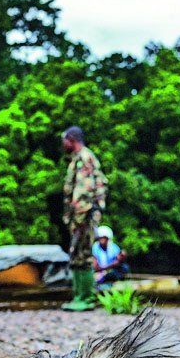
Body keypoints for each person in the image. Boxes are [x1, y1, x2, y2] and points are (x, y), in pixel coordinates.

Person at [61, 126, 108, 311]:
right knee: (77, 255)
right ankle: (79, 296)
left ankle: (86, 299)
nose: (63, 144)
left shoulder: (84, 158)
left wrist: (80, 217)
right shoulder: (77, 159)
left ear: (71, 139)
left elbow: (84, 191)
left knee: (84, 254)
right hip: (79, 215)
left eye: (64, 140)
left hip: (85, 214)